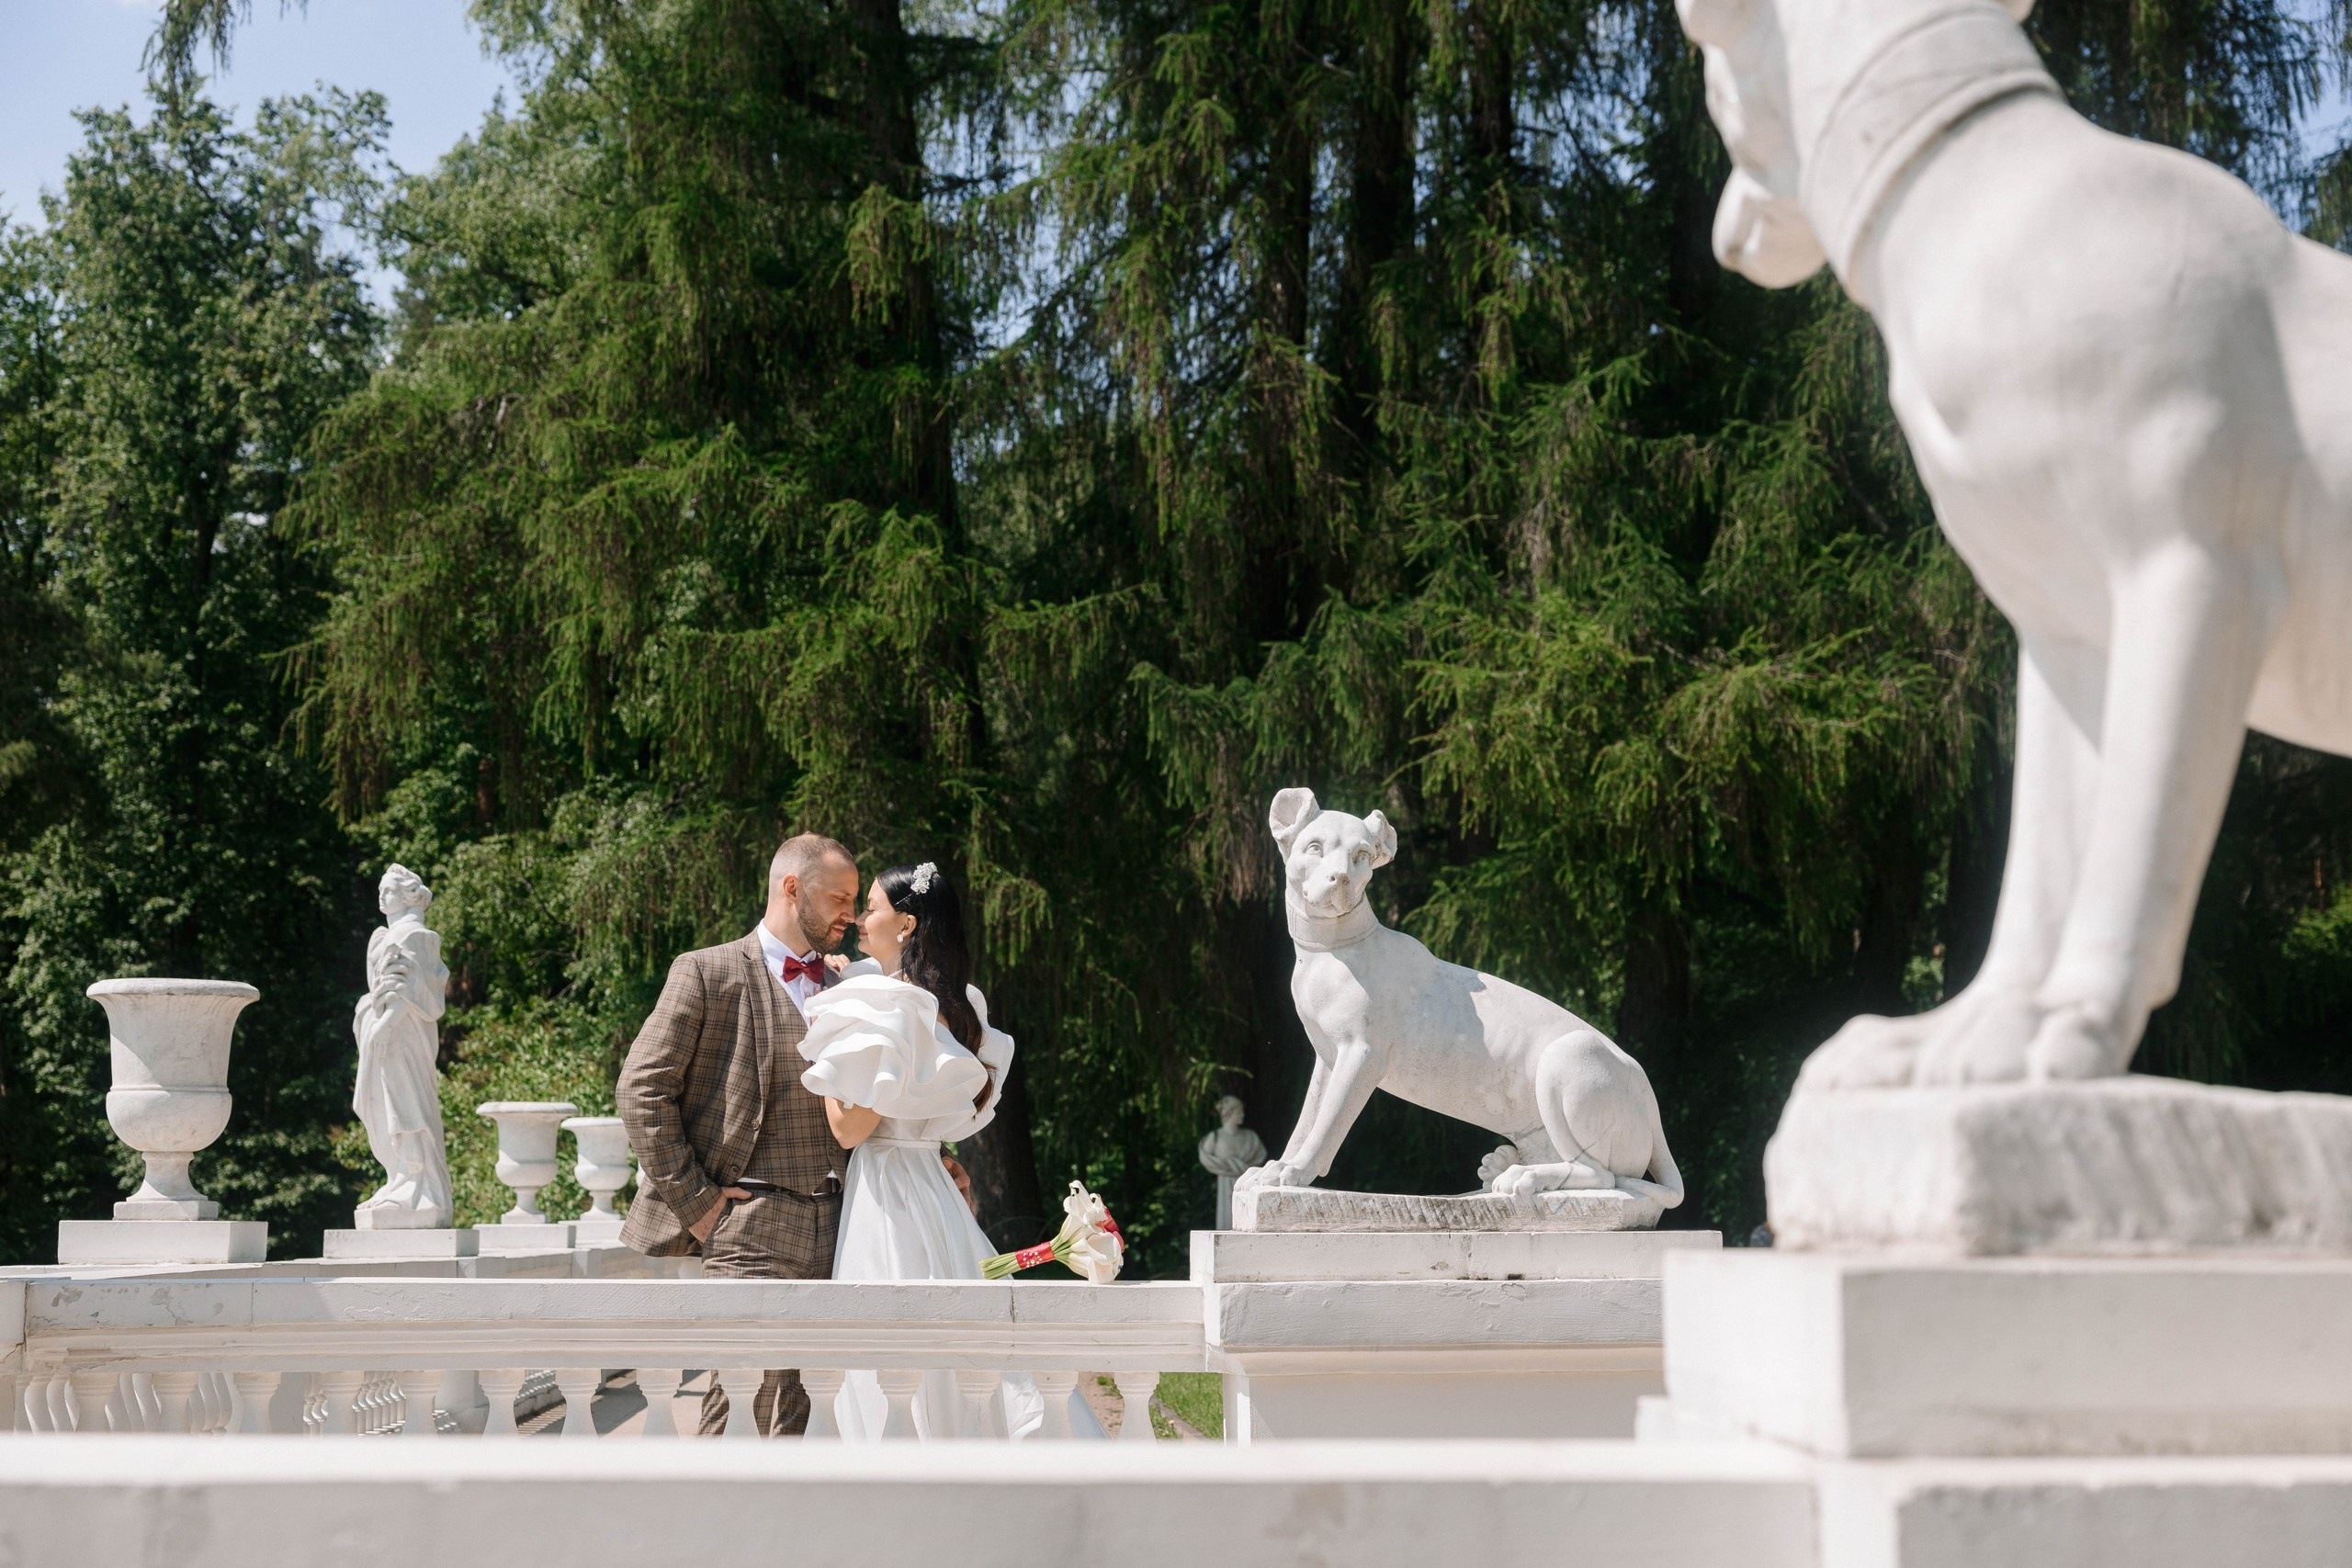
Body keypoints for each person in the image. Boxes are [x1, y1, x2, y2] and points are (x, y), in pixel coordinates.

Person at [799, 860, 1102, 1439]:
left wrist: (827, 1054)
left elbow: (849, 1129)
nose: (860, 919)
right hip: (933, 1185)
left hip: (887, 1189)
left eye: (871, 908)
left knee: (892, 1333)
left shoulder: (890, 1007)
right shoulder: (949, 1003)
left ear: (906, 924)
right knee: (954, 1324)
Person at [616, 831, 860, 1436]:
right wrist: (697, 1203)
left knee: (816, 1419)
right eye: (840, 898)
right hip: (748, 1222)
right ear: (792, 887)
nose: (851, 915)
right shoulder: (707, 971)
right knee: (736, 1412)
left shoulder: (848, 987)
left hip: (842, 1225)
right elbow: (642, 1089)